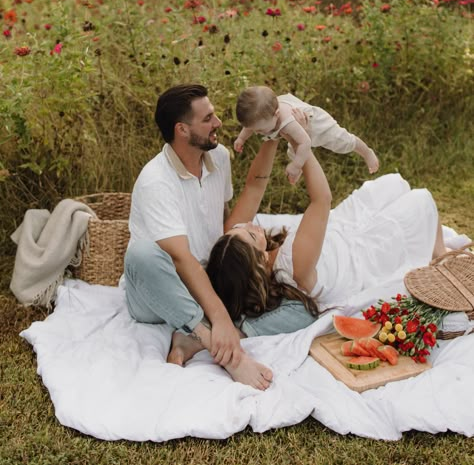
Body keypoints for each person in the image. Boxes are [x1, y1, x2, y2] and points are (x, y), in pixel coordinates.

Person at [123, 84, 316, 391]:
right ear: (182, 130)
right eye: (208, 118)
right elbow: (181, 260)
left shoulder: (219, 158)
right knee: (141, 255)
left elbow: (235, 214)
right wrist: (221, 318)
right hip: (160, 290)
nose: (219, 124)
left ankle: (194, 339)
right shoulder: (155, 182)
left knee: (303, 311)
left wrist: (273, 136)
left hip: (209, 281)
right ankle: (223, 350)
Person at [207, 140, 448, 322]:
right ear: (259, 262)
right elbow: (322, 198)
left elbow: (255, 184)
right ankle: (438, 255)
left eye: (238, 228)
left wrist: (273, 135)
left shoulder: (233, 245)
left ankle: (432, 246)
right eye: (250, 234)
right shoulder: (294, 265)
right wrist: (302, 143)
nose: (247, 224)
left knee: (392, 184)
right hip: (358, 259)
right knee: (421, 201)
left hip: (338, 232)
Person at [234, 86, 379, 184]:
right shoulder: (264, 115)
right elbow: (250, 127)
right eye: (255, 130)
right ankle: (297, 171)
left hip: (316, 125)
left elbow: (305, 142)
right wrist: (242, 138)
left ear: (276, 114)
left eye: (260, 130)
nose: (258, 133)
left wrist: (296, 165)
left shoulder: (288, 121)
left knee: (342, 142)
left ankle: (366, 152)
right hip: (294, 132)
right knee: (293, 152)